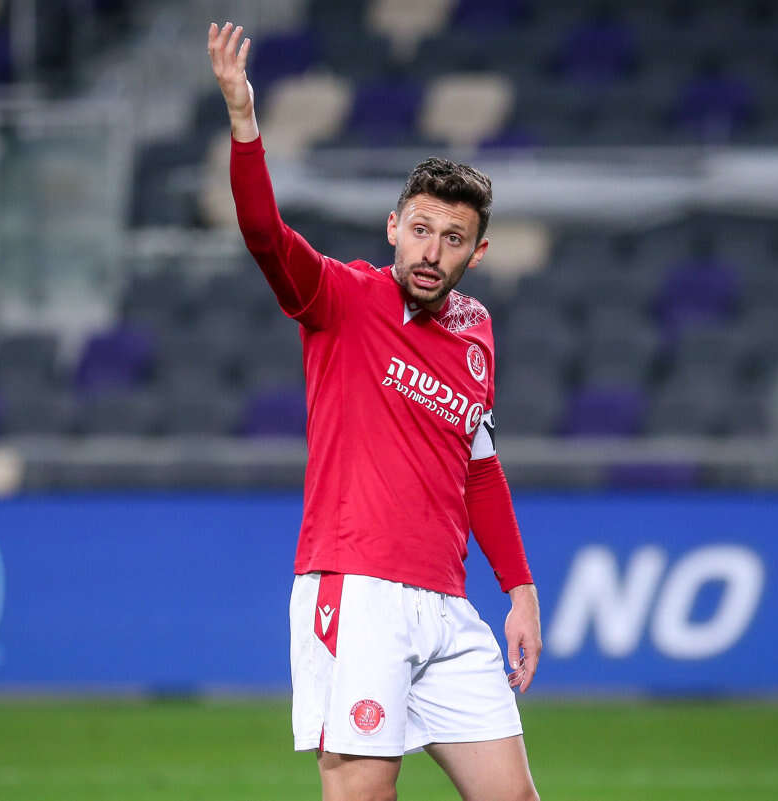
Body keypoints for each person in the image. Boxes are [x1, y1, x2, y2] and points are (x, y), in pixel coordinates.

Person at [208, 21, 542, 801]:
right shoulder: (344, 298)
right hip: (360, 592)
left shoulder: (476, 332)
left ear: (476, 253)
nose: (431, 250)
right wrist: (244, 121)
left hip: (448, 605)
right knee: (365, 792)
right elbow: (264, 236)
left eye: (452, 238)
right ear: (394, 227)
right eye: (420, 229)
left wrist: (520, 589)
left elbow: (479, 469)